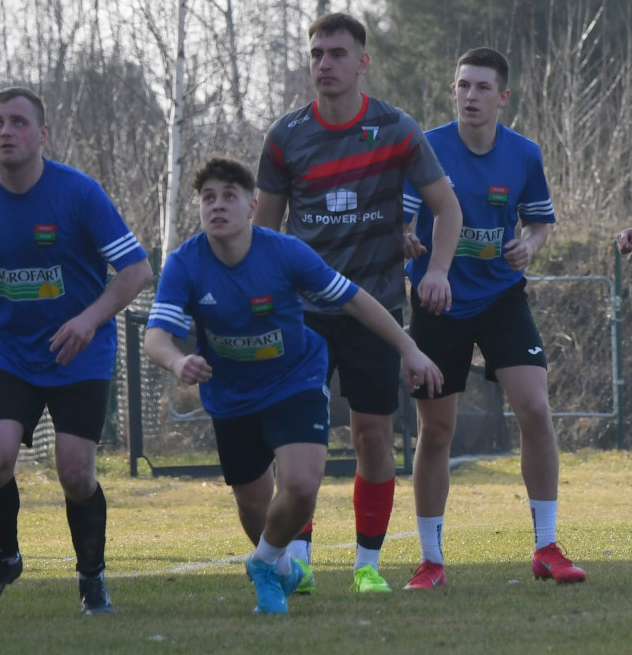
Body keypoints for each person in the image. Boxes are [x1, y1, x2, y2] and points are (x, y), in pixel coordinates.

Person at [144, 157, 443, 614]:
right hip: (231, 394)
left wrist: (409, 348)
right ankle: (279, 567)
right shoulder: (185, 263)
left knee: (301, 487)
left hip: (294, 379)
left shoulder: (284, 253)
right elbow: (156, 337)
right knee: (256, 508)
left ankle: (263, 564)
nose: (217, 206)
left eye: (229, 196)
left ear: (252, 207)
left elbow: (356, 301)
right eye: (208, 198)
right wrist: (177, 360)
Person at [253, 11, 463, 593]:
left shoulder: (396, 128)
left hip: (374, 310)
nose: (325, 63)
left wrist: (437, 269)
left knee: (372, 434)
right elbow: (263, 234)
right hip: (302, 316)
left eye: (337, 53)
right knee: (301, 441)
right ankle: (300, 560)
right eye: (317, 53)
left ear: (363, 62)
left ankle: (368, 565)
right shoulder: (285, 136)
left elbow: (447, 207)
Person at [0, 86, 153, 616]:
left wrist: (87, 319)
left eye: (18, 122)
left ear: (43, 134)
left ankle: (92, 577)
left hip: (80, 353)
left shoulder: (79, 194)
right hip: (8, 351)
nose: (5, 132)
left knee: (76, 472)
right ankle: (5, 558)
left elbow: (137, 271)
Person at [401, 47, 586, 589]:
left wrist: (529, 244)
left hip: (504, 298)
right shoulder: (426, 148)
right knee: (437, 430)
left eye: (482, 87)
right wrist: (405, 237)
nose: (470, 96)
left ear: (503, 97)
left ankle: (547, 546)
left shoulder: (524, 155)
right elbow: (405, 216)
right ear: (452, 92)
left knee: (534, 407)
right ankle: (431, 560)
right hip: (439, 302)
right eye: (463, 86)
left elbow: (539, 224)